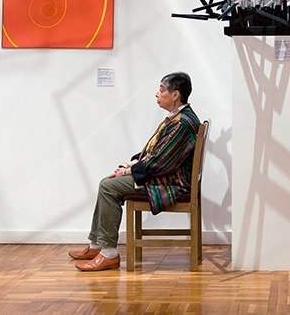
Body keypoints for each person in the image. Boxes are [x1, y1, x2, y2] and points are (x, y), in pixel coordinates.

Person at [69, 72, 201, 271]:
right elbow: (156, 153)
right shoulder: (179, 117)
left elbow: (160, 162)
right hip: (163, 177)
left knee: (108, 187)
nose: (157, 94)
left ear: (175, 95)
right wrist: (131, 165)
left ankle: (109, 254)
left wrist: (129, 171)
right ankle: (97, 246)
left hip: (170, 183)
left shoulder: (182, 123)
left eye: (161, 90)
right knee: (107, 182)